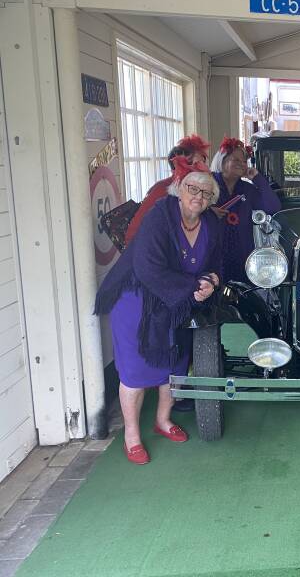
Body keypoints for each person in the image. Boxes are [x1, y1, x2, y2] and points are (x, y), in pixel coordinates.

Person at [95, 158, 223, 465]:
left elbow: (218, 261)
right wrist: (193, 286)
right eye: (193, 188)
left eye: (206, 193)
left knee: (174, 363)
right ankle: (132, 436)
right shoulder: (159, 216)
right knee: (135, 372)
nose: (199, 197)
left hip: (177, 302)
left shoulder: (211, 222)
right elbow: (147, 267)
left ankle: (163, 421)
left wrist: (212, 281)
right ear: (179, 188)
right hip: (138, 299)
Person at [210, 136, 281, 282]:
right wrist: (208, 213)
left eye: (244, 161)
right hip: (212, 257)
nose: (242, 164)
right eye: (236, 160)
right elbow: (190, 210)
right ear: (222, 161)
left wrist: (257, 178)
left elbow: (273, 207)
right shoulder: (208, 184)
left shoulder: (247, 189)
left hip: (242, 259)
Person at [125, 134, 210, 245]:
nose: (204, 168)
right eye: (197, 164)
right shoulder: (162, 190)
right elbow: (133, 235)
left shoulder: (195, 191)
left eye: (204, 162)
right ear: (181, 166)